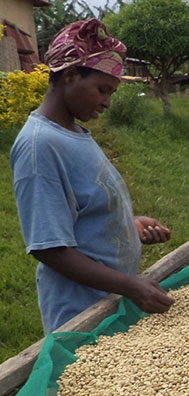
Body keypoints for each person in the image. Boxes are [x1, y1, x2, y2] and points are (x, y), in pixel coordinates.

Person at [10, 18, 175, 334]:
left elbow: (86, 208)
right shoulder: (40, 146)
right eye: (103, 90)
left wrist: (129, 226)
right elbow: (50, 248)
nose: (108, 102)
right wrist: (130, 286)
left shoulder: (74, 133)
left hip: (109, 303)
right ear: (71, 75)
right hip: (81, 315)